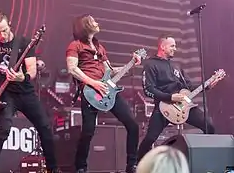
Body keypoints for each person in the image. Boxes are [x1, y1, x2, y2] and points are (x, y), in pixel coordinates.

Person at [0, 11, 60, 173]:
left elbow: (32, 70)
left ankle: (53, 169)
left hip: (25, 92)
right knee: (3, 130)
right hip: (4, 94)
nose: (2, 35)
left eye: (4, 30)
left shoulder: (23, 43)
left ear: (10, 25)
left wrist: (21, 77)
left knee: (44, 126)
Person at [66, 14, 141, 173]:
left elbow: (111, 72)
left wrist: (131, 64)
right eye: (93, 21)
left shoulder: (99, 47)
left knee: (132, 125)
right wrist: (93, 83)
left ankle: (131, 165)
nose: (97, 22)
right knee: (88, 131)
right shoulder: (75, 45)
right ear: (85, 26)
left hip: (108, 90)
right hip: (90, 92)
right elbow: (72, 69)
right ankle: (80, 167)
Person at [137, 34, 220, 162]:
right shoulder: (151, 64)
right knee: (150, 138)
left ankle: (206, 160)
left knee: (209, 126)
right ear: (163, 47)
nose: (175, 48)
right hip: (164, 106)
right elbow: (148, 90)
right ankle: (137, 165)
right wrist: (170, 97)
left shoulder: (177, 66)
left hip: (184, 105)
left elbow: (190, 87)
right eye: (172, 46)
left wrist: (208, 85)